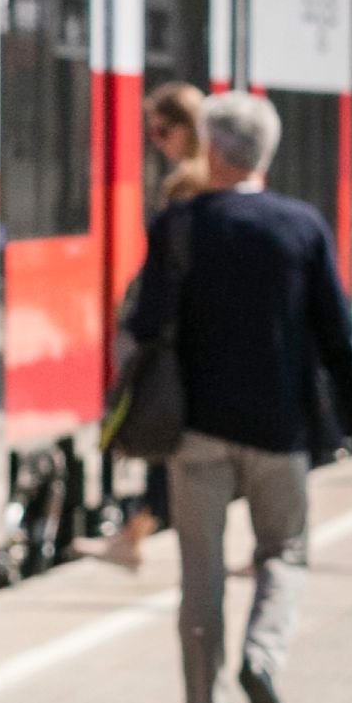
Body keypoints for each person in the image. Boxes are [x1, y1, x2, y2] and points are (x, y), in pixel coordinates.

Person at [116, 85, 352, 703]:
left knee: (201, 575)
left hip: (195, 430)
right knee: (284, 553)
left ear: (214, 150)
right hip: (279, 430)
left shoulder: (180, 225)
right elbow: (337, 333)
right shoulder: (302, 226)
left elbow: (144, 322)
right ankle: (263, 656)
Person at [119, 78, 213, 555]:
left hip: (178, 337)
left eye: (159, 132)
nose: (156, 143)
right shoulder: (213, 181)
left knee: (163, 424)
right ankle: (134, 533)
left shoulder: (184, 188)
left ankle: (135, 534)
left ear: (183, 130)